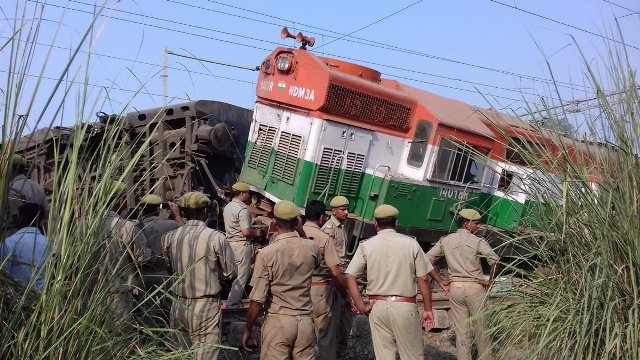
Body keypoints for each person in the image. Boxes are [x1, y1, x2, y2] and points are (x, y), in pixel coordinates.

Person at [345, 204, 443, 360]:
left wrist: (361, 305)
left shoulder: (366, 245)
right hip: (404, 307)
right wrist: (428, 309)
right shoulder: (411, 243)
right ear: (396, 223)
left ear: (375, 224)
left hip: (377, 307)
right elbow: (423, 279)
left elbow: (350, 276)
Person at [161, 191, 237, 360]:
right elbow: (230, 273)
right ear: (205, 212)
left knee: (181, 355)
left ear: (184, 214)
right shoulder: (216, 237)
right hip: (205, 306)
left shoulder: (168, 238)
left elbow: (170, 268)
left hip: (179, 304)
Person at [242, 200, 321, 360]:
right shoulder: (312, 247)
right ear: (297, 222)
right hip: (305, 323)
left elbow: (257, 299)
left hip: (279, 322)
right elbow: (317, 262)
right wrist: (301, 232)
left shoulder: (267, 253)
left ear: (274, 222)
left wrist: (248, 329)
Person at [426, 209, 500, 360]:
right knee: (482, 332)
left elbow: (426, 259)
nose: (479, 226)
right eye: (476, 223)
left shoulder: (446, 240)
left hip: (455, 290)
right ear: (466, 224)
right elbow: (495, 261)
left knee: (461, 333)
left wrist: (440, 281)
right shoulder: (477, 241)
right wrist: (490, 282)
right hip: (475, 290)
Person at [98, 181, 151, 318]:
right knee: (119, 337)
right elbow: (143, 259)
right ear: (120, 200)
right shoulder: (127, 227)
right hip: (118, 298)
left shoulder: (82, 227)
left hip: (89, 297)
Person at [303, 200, 348, 360]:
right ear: (322, 217)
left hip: (299, 291)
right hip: (321, 290)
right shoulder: (324, 237)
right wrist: (345, 295)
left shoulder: (296, 234)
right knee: (326, 339)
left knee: (301, 341)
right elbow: (335, 273)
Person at [137, 194, 180, 325]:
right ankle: (172, 337)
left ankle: (150, 339)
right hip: (165, 273)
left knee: (147, 312)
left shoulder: (138, 226)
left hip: (145, 274)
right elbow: (185, 233)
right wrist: (176, 215)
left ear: (142, 209)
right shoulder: (172, 225)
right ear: (158, 209)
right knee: (171, 308)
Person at [222, 182, 262, 308]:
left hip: (230, 244)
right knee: (241, 277)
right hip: (241, 246)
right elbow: (245, 232)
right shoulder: (242, 209)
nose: (249, 196)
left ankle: (229, 301)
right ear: (242, 194)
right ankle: (233, 306)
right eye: (248, 193)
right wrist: (256, 233)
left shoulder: (228, 206)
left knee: (232, 275)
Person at [321, 195, 353, 354]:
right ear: (333, 211)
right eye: (343, 209)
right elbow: (329, 257)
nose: (346, 212)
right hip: (336, 272)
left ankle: (339, 346)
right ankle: (334, 347)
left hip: (342, 269)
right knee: (338, 309)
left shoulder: (340, 226)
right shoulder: (329, 228)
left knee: (344, 311)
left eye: (347, 209)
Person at [0, 203, 48, 292]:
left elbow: (3, 275)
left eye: (17, 216)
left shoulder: (10, 242)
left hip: (13, 300)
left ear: (22, 218)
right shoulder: (49, 243)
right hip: (42, 299)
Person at [5, 154, 49, 236]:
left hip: (19, 238)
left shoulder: (13, 189)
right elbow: (46, 214)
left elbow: (15, 219)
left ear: (11, 169)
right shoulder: (37, 186)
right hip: (38, 234)